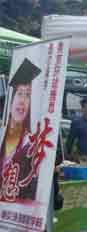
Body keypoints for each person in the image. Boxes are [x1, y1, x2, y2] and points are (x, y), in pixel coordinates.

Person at [0, 58, 41, 202]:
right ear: (11, 98)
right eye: (19, 93)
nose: (22, 101)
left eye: (28, 95)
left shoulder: (31, 142)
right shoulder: (2, 134)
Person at [66, 97, 87, 162]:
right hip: (83, 158)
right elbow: (70, 141)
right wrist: (69, 155)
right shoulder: (77, 122)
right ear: (82, 108)